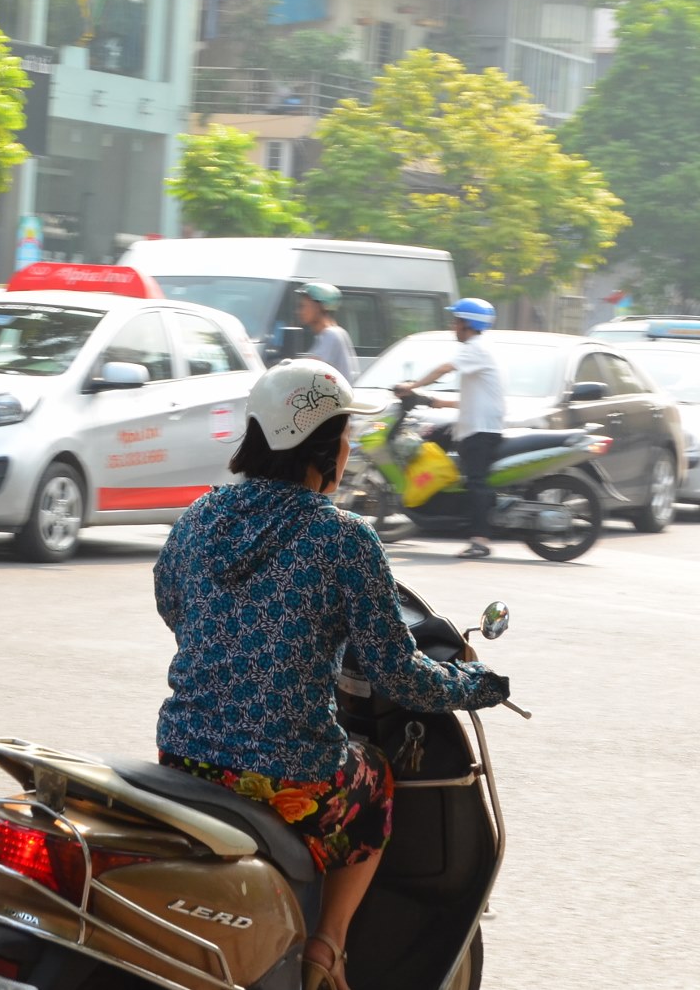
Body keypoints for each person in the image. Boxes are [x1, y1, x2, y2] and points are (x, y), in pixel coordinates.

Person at [154, 359, 509, 990]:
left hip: (182, 758)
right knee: (372, 778)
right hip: (284, 774)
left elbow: (172, 605)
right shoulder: (344, 538)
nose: (348, 450)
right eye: (345, 436)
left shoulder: (200, 516)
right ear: (323, 447)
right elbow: (398, 673)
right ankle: (329, 945)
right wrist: (476, 688)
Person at [394, 298, 503, 558]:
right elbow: (471, 398)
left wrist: (413, 386)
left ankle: (480, 539)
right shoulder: (480, 349)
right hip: (472, 426)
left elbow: (444, 368)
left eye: (456, 321)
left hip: (481, 430)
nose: (453, 326)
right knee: (434, 437)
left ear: (467, 323)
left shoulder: (475, 347)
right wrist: (433, 401)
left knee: (476, 482)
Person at [296, 281, 358, 381]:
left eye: (303, 306)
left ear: (319, 307)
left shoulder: (331, 335)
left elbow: (311, 367)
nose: (299, 311)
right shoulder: (330, 334)